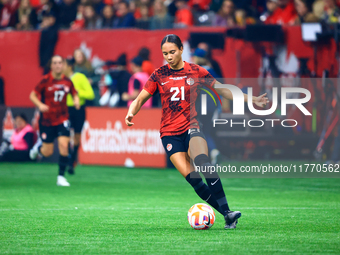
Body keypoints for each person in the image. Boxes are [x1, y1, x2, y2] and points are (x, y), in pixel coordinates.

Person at [125, 34, 269, 229]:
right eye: (165, 53)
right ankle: (227, 215)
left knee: (203, 162)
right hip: (169, 134)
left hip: (192, 127)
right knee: (194, 179)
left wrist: (249, 98)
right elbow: (140, 98)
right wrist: (131, 113)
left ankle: (227, 210)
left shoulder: (196, 70)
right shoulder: (158, 74)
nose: (169, 56)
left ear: (182, 50)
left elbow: (222, 89)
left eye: (172, 52)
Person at [29, 55, 80, 187]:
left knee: (64, 146)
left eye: (60, 63)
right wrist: (40, 105)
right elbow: (32, 95)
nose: (58, 65)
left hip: (63, 118)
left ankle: (61, 177)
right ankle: (38, 149)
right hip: (47, 120)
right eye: (55, 63)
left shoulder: (68, 81)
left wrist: (76, 100)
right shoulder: (45, 80)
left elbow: (74, 93)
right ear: (51, 66)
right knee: (48, 152)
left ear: (63, 65)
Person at [63, 58, 94, 174]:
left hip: (78, 110)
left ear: (70, 66)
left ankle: (72, 160)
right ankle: (67, 159)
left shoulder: (80, 77)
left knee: (76, 137)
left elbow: (90, 94)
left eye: (63, 64)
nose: (60, 67)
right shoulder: (60, 79)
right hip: (64, 110)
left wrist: (76, 92)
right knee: (64, 136)